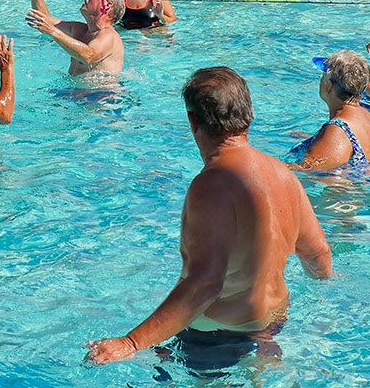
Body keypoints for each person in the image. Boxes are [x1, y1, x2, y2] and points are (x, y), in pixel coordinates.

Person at [86, 67, 332, 365]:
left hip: (218, 341)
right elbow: (318, 253)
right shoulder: (283, 175)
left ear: (193, 121)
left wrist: (130, 342)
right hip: (272, 326)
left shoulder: (212, 186)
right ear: (249, 113)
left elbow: (205, 284)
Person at [26, 0, 124, 75]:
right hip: (74, 90)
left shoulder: (110, 36)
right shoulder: (79, 30)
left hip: (101, 92)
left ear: (107, 6)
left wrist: (52, 31)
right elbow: (42, 18)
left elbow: (89, 56)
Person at [286, 51, 370, 170]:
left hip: (339, 188)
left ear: (329, 85)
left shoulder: (337, 129)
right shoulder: (364, 115)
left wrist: (263, 163)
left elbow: (306, 171)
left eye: (322, 77)